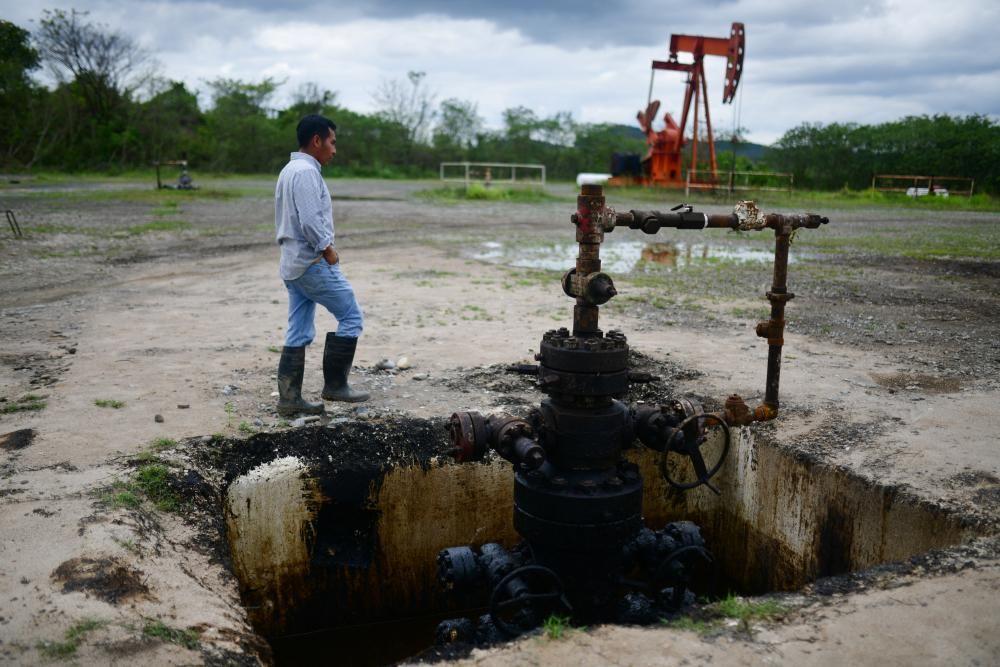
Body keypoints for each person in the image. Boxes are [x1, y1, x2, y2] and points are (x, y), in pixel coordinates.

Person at [273, 114, 369, 416]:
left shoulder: (290, 169)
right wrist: (327, 249)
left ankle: (290, 398)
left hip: (292, 264)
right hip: (312, 261)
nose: (334, 149)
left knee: (298, 329)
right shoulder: (305, 173)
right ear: (317, 140)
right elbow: (311, 220)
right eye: (332, 142)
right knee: (351, 316)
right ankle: (336, 386)